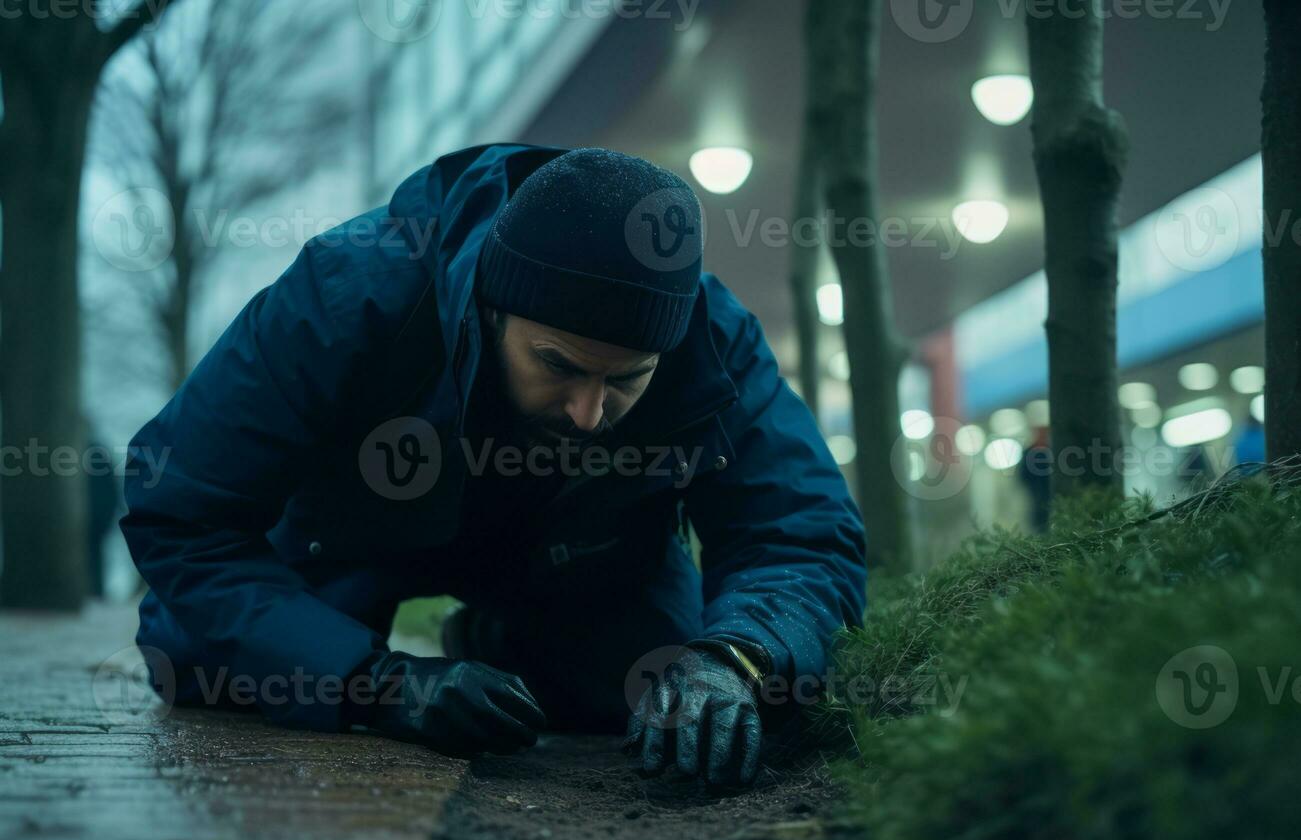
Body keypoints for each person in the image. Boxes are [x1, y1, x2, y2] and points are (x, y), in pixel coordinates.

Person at [120, 145, 867, 787]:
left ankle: (494, 645)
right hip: (356, 541)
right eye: (559, 366)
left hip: (583, 558)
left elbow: (799, 531)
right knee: (191, 657)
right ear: (491, 308)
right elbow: (181, 514)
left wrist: (734, 658)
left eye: (626, 379)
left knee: (651, 687)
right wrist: (376, 685)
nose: (587, 412)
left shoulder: (716, 341)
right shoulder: (344, 293)